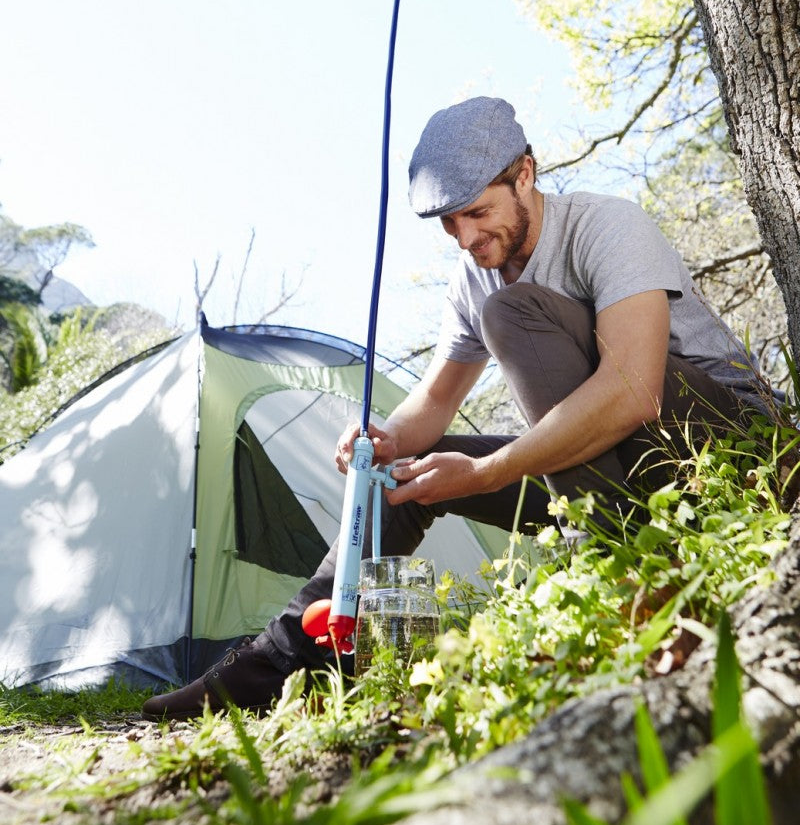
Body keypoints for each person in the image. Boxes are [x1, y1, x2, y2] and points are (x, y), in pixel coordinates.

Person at [143, 96, 774, 719]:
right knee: (403, 474)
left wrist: (485, 472)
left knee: (514, 312)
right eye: (449, 223)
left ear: (525, 173)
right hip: (603, 478)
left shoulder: (607, 227)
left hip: (735, 454)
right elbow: (437, 401)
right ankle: (285, 658)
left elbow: (636, 391)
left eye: (477, 212)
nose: (467, 238)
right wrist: (385, 437)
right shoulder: (474, 276)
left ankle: (628, 581)